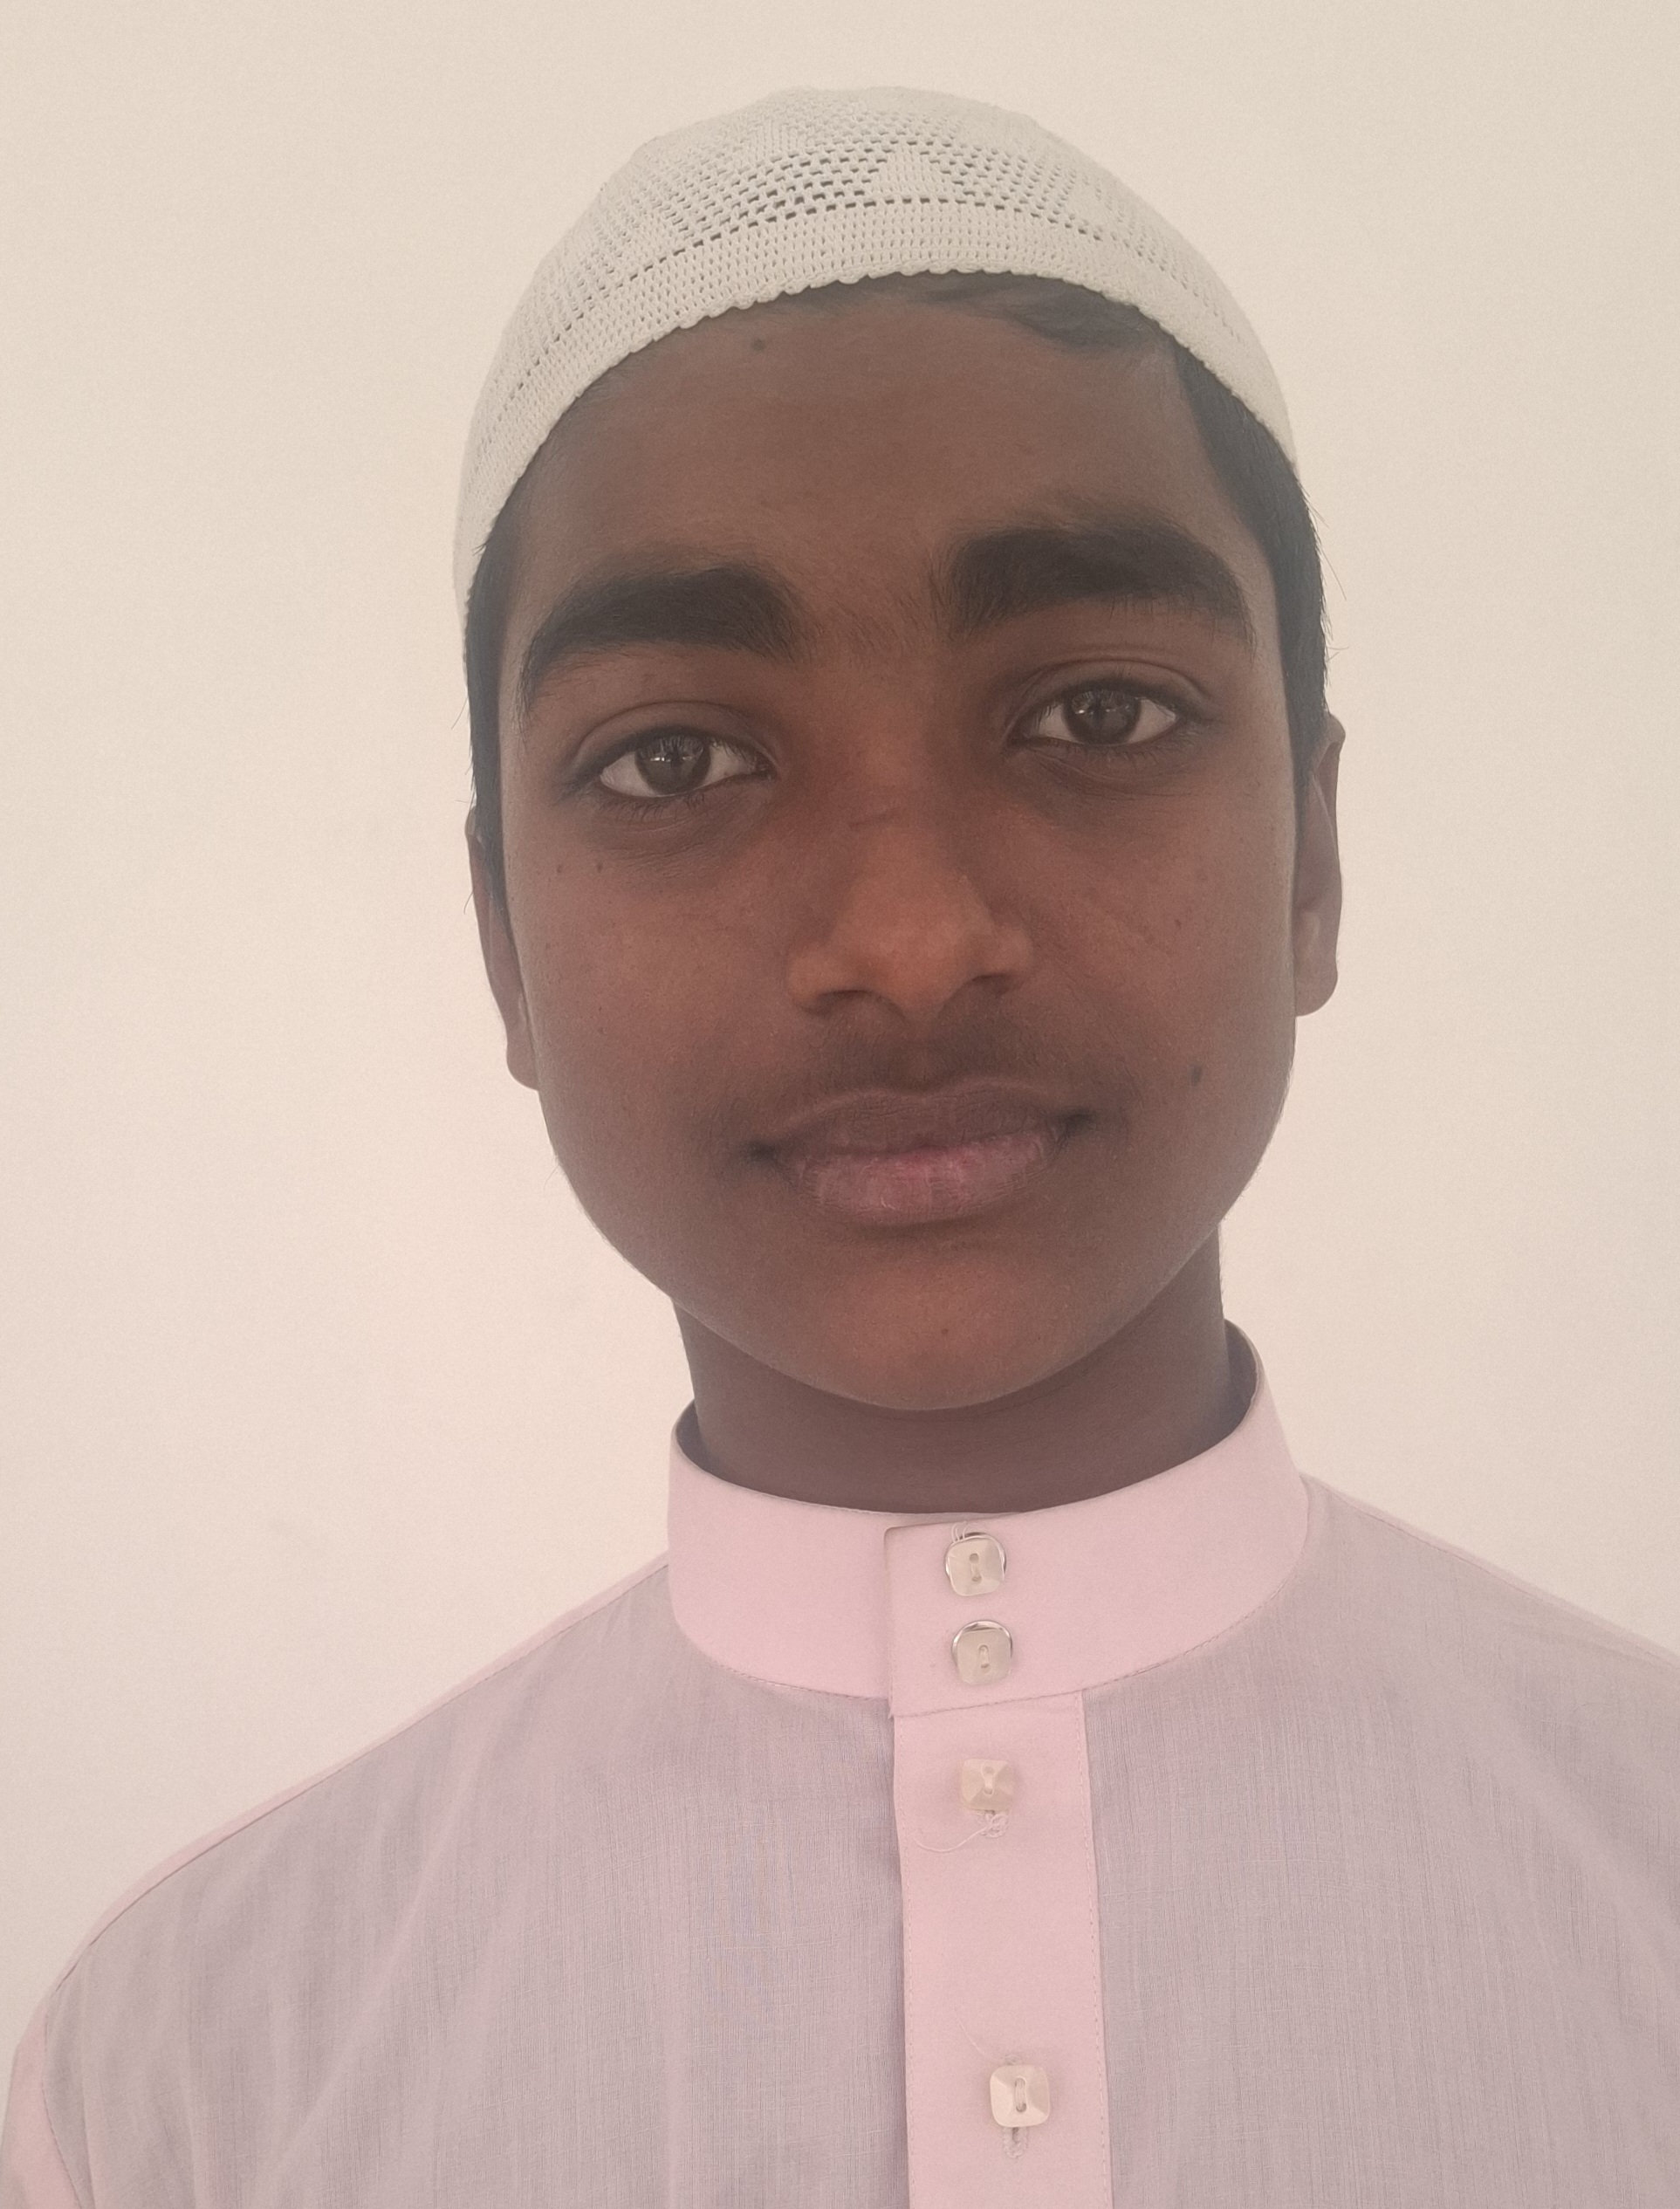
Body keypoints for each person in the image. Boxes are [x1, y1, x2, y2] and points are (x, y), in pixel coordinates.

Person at [3, 82, 1677, 2209]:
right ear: (504, 940)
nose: (906, 939)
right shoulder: (189, 2077)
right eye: (675, 760)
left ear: (1314, 861)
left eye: (1097, 715)